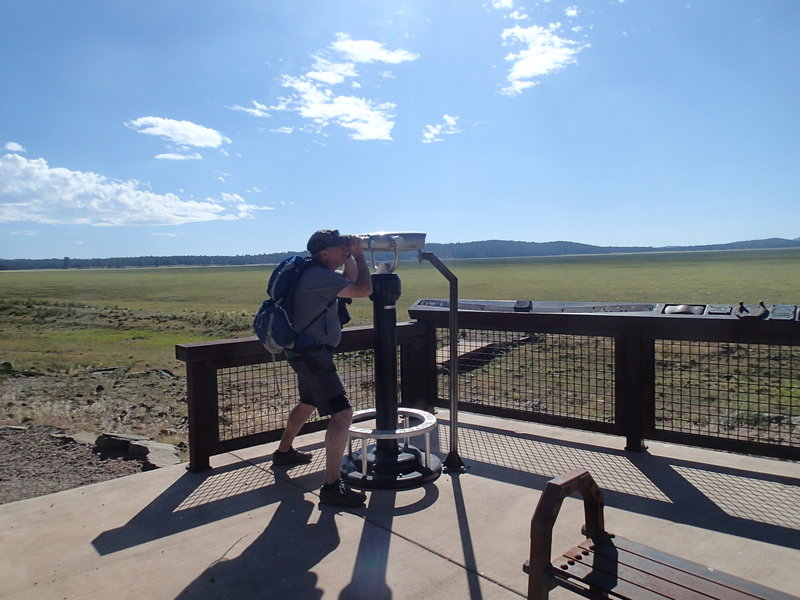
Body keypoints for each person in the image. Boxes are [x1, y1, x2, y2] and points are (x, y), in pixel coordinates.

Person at [272, 229, 373, 506]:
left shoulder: (317, 274)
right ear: (324, 252)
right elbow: (363, 289)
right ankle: (331, 486)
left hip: (305, 352)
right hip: (312, 355)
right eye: (340, 248)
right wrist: (362, 256)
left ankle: (283, 452)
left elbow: (349, 281)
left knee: (307, 403)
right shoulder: (316, 276)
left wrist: (351, 255)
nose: (344, 250)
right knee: (342, 414)